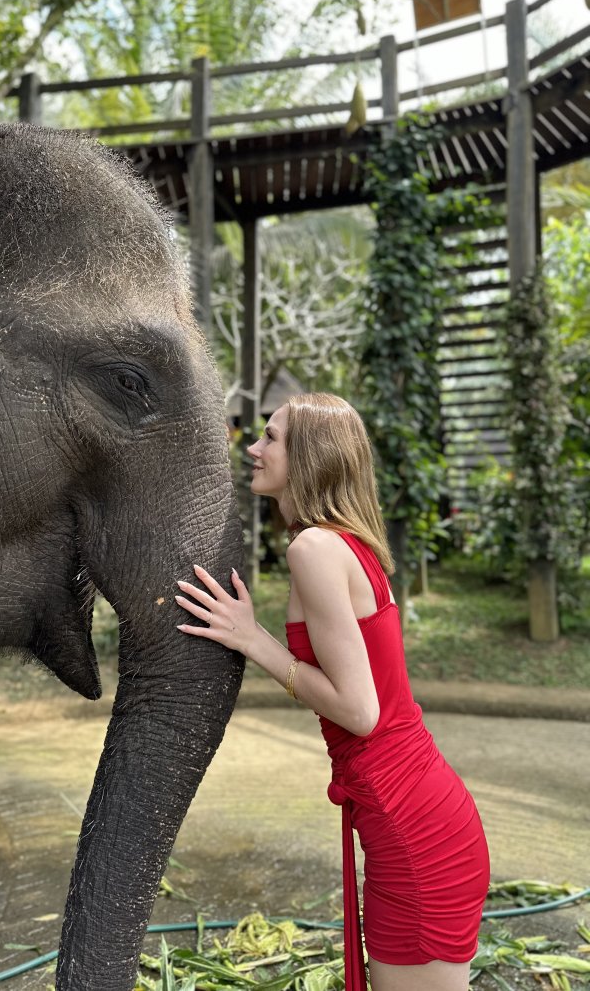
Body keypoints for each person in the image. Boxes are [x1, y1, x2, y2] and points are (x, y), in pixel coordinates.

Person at [175, 393, 490, 991]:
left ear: (310, 456)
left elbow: (360, 711)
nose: (253, 448)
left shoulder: (314, 548)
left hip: (412, 827)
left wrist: (253, 640)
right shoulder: (347, 543)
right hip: (424, 811)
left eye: (271, 438)